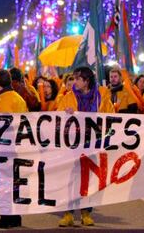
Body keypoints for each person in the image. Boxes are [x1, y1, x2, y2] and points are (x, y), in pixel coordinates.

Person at [57, 66, 114, 227]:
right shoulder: (68, 97)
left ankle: (86, 213)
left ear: (86, 81)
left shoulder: (101, 96)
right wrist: (65, 113)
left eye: (77, 79)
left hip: (92, 144)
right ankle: (68, 213)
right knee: (70, 180)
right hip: (73, 146)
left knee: (87, 180)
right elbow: (58, 114)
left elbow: (110, 116)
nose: (74, 82)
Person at [0, 69, 27, 229]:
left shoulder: (4, 100)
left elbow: (2, 125)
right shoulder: (18, 98)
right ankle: (16, 217)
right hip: (18, 147)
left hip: (6, 148)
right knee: (14, 184)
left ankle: (6, 218)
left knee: (4, 184)